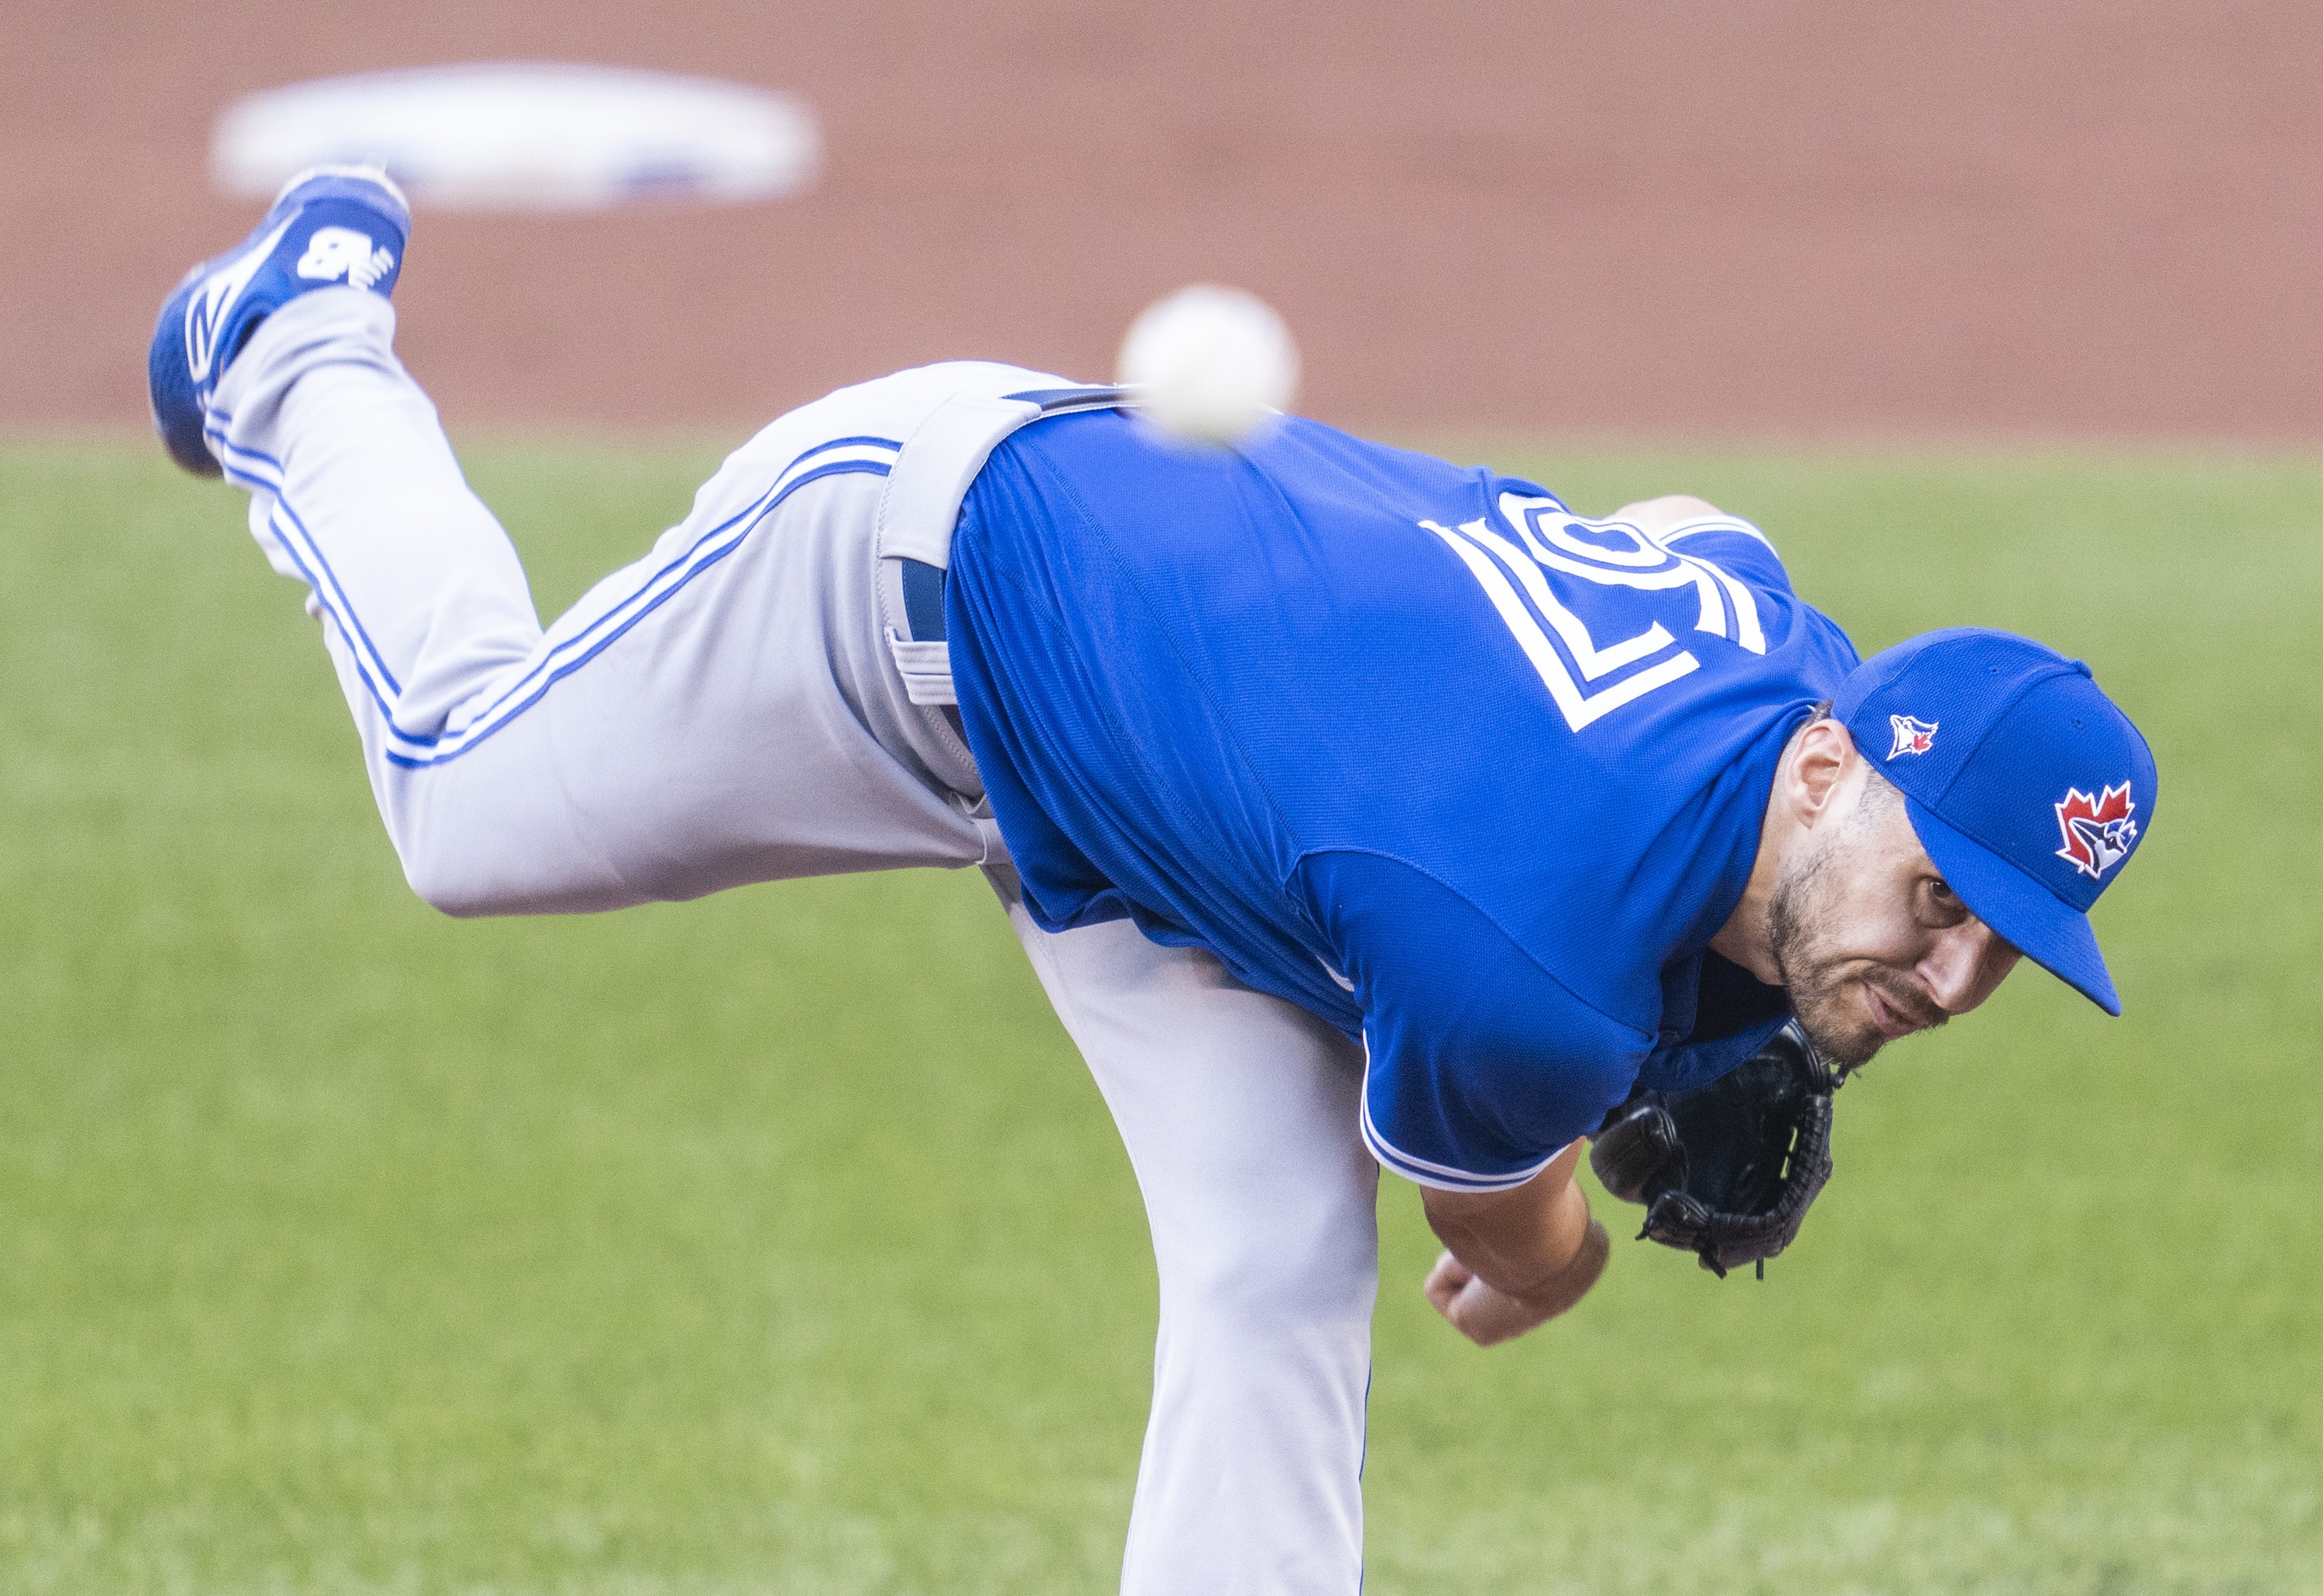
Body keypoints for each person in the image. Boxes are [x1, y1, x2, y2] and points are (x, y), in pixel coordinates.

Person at [149, 168, 2157, 1595]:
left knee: (1276, 1272)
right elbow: (1507, 1236)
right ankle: (297, 350)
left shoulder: (1779, 651)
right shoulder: (1519, 967)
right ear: (1829, 765)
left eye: (2002, 945)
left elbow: (1692, 527)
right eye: (1940, 895)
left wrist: (1731, 990)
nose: (1951, 972)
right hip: (898, 584)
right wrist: (1577, 1234)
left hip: (1151, 820)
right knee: (464, 811)